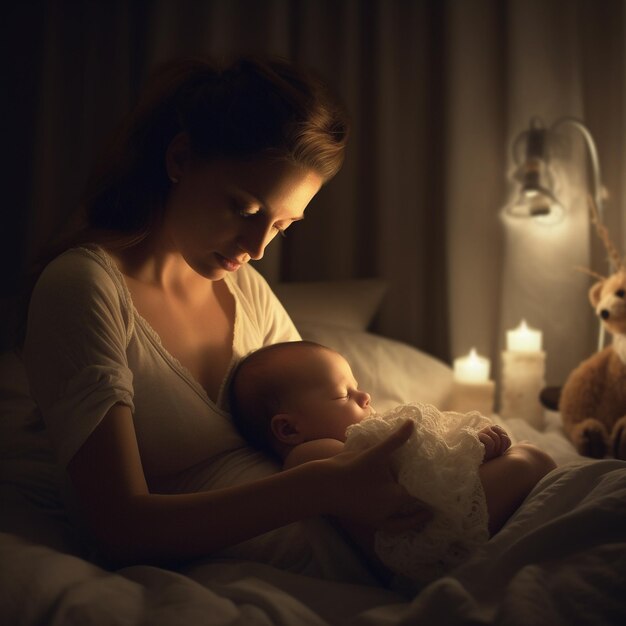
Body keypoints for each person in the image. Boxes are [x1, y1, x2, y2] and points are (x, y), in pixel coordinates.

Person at [21, 55, 429, 581]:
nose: (258, 247)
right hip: (303, 557)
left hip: (343, 543)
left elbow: (328, 428)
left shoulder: (245, 290)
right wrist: (320, 487)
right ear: (181, 158)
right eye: (246, 209)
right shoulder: (84, 287)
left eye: (282, 225)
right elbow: (118, 527)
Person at [228, 340, 557, 585]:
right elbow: (405, 486)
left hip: (425, 527)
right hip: (416, 549)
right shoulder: (311, 454)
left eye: (357, 387)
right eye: (345, 394)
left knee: (530, 459)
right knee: (531, 458)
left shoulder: (341, 443)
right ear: (288, 428)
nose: (364, 396)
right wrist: (468, 451)